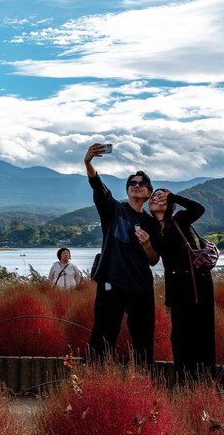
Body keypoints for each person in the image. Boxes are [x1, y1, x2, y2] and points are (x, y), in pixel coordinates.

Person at [84, 144, 160, 367]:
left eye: (141, 184)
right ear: (127, 190)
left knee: (143, 341)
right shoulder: (113, 209)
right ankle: (97, 383)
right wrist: (88, 162)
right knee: (102, 338)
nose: (136, 186)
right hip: (112, 283)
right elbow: (98, 187)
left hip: (141, 286)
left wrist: (146, 244)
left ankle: (142, 384)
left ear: (148, 193)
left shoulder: (151, 223)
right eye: (132, 184)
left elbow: (154, 259)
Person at [147, 188, 215, 383]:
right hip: (177, 290)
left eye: (161, 195)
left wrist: (174, 197)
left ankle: (204, 384)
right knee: (179, 337)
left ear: (170, 202)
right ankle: (183, 383)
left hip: (197, 285)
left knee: (201, 335)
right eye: (153, 196)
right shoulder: (155, 230)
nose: (155, 198)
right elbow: (167, 267)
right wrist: (168, 300)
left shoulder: (180, 220)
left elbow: (198, 209)